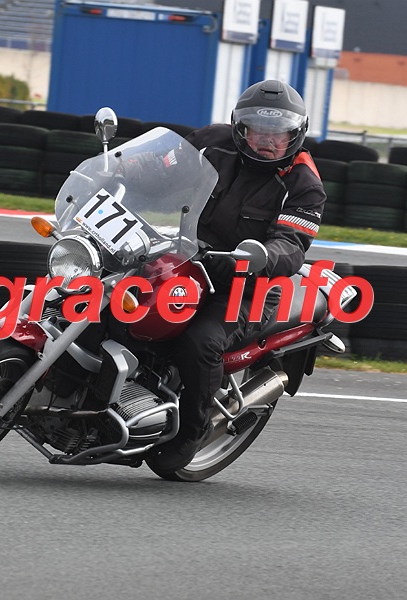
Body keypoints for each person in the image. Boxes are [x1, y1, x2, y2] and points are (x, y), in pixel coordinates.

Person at [147, 79, 327, 473]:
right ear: (240, 127)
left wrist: (254, 259)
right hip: (185, 260)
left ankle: (191, 431)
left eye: (278, 134)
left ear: (295, 135)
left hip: (248, 286)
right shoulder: (212, 143)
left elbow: (291, 245)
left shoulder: (304, 185)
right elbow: (158, 168)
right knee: (112, 295)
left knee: (200, 342)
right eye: (259, 130)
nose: (267, 141)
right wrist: (115, 170)